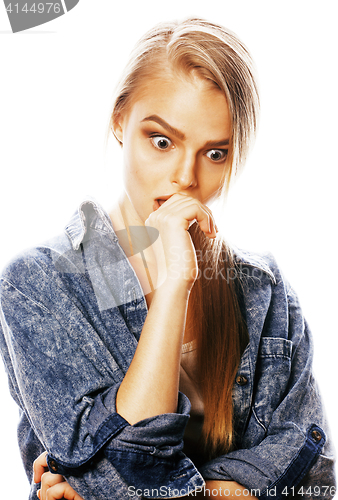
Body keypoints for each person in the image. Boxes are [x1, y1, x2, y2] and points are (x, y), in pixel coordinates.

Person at [0, 17, 336, 500]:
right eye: (162, 141)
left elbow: (315, 479)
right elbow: (124, 469)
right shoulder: (39, 284)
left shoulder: (264, 290)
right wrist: (174, 284)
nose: (185, 176)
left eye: (215, 153)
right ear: (120, 121)